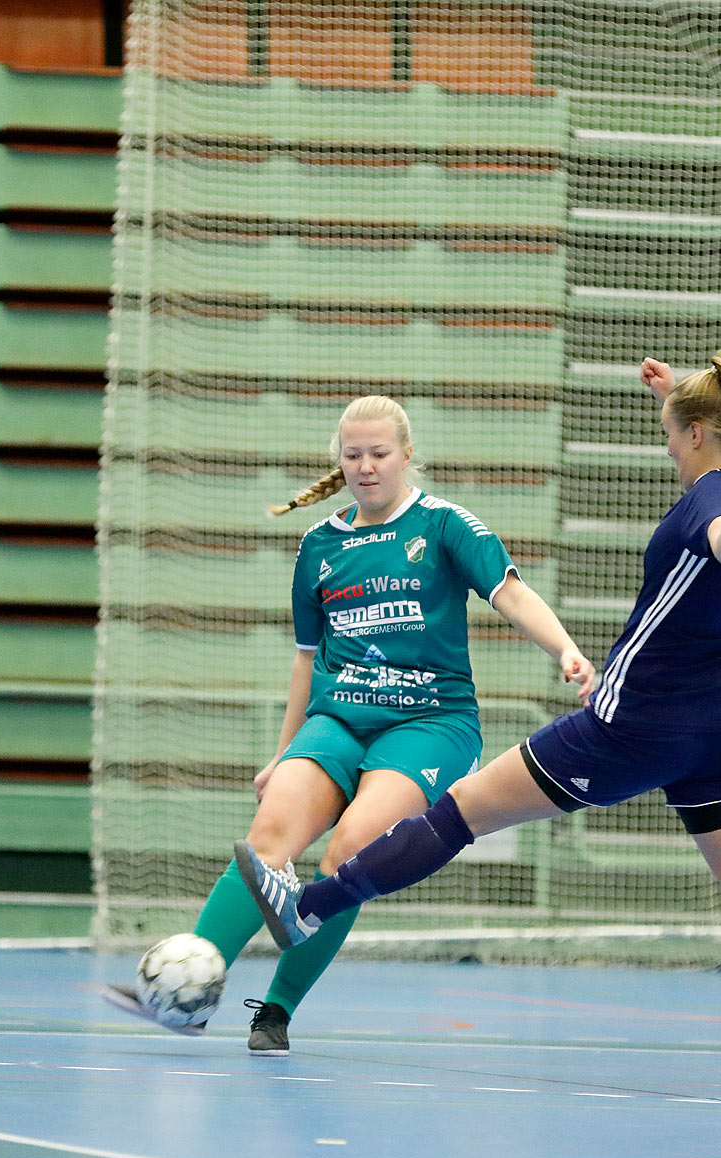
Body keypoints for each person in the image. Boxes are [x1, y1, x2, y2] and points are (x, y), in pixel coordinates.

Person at [236, 351, 721, 1079]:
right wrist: (680, 394)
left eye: (673, 433)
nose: (669, 446)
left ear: (702, 434)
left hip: (633, 723)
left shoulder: (716, 503)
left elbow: (713, 517)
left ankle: (308, 907)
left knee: (457, 815)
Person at [103, 393, 593, 1054]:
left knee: (350, 853)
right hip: (336, 719)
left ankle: (275, 1009)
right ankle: (189, 990)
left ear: (406, 456)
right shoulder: (320, 547)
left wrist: (562, 648)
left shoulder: (446, 526)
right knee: (269, 834)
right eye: (353, 454)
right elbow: (307, 661)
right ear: (340, 459)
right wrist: (283, 753)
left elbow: (511, 591)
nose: (366, 466)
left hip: (429, 723)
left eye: (379, 454)